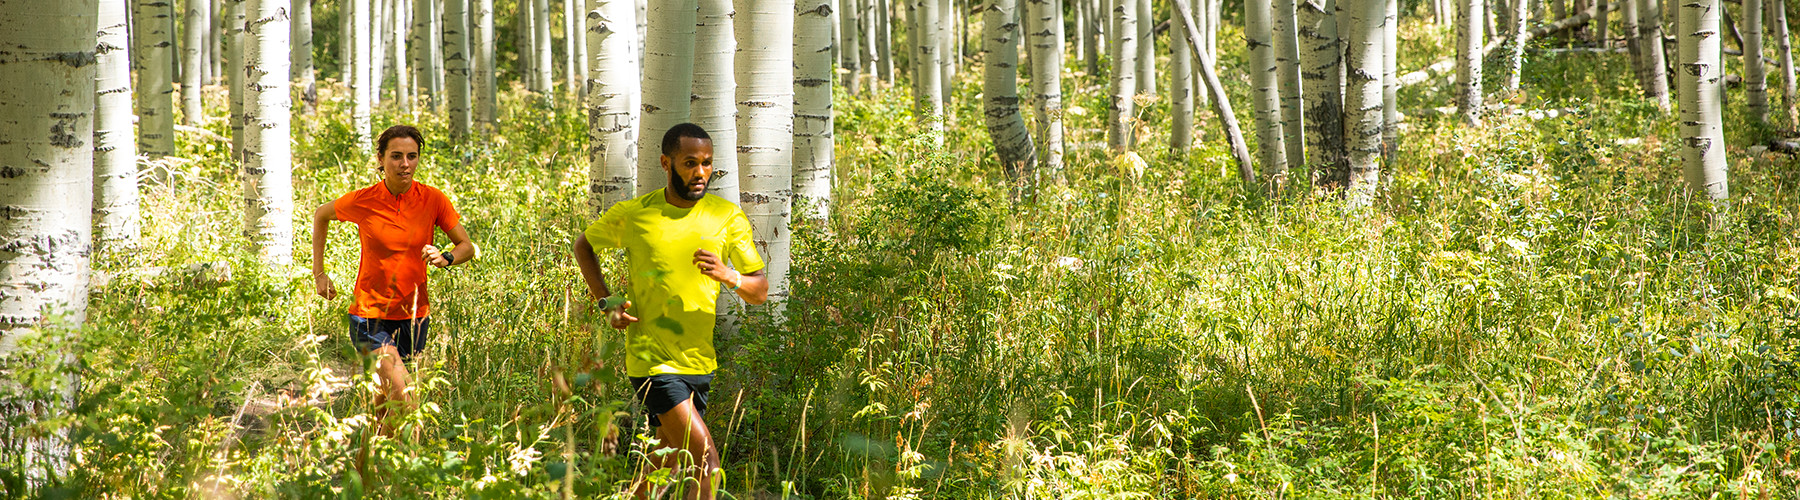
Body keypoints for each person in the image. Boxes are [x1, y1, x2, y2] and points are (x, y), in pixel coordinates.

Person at [572, 123, 768, 499]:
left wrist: (728, 275)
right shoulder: (637, 214)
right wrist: (606, 301)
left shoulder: (727, 217)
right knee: (706, 466)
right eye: (690, 163)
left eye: (707, 163)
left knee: (664, 464)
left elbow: (759, 291)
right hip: (653, 363)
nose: (700, 172)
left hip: (700, 362)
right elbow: (584, 245)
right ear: (666, 163)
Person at [310, 125, 478, 431]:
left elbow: (466, 246)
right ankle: (395, 459)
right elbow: (322, 214)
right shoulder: (364, 200)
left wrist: (446, 257)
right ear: (381, 158)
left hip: (414, 316)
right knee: (407, 398)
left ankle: (369, 459)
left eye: (412, 156)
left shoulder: (433, 199)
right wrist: (319, 274)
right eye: (396, 156)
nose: (405, 164)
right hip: (369, 317)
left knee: (384, 408)